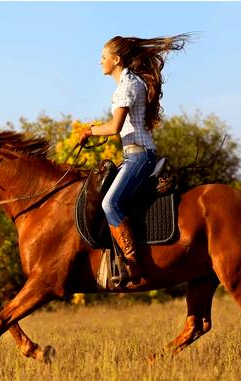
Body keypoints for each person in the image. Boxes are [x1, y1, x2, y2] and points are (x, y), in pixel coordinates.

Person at [79, 35, 189, 286]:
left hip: (139, 157)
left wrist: (89, 130)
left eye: (104, 57)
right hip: (133, 154)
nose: (100, 62)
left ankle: (132, 261)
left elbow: (115, 127)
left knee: (110, 203)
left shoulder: (127, 85)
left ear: (116, 60)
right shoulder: (128, 83)